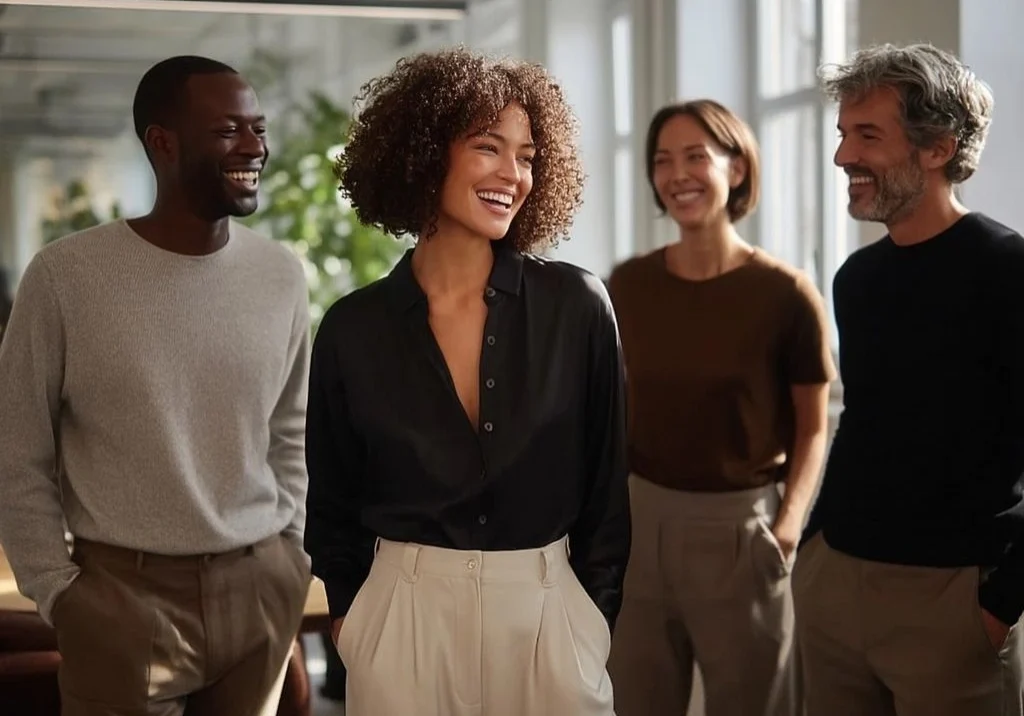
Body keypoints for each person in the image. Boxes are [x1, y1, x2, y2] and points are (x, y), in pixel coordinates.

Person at [304, 47, 630, 716]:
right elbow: (331, 500)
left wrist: (589, 626)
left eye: (528, 156)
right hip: (405, 618)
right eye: (489, 147)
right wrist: (353, 621)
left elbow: (606, 494)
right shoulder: (351, 328)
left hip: (546, 612)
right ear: (425, 155)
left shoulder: (577, 306)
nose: (513, 174)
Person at [0, 55, 311, 715]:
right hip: (119, 598)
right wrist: (57, 591)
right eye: (229, 130)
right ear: (162, 142)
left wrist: (289, 553)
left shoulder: (280, 275)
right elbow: (16, 442)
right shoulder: (65, 277)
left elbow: (289, 429)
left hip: (257, 587)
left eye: (258, 128)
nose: (255, 147)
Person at [794, 43, 1024, 716]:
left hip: (953, 606)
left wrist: (1000, 603)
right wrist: (815, 549)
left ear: (938, 147)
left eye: (868, 135)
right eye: (843, 135)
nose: (843, 158)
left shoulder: (1007, 271)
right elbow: (867, 423)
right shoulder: (856, 280)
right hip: (835, 585)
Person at [605, 99, 836, 716]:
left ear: (736, 169)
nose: (677, 174)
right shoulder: (625, 286)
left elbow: (815, 426)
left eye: (695, 157)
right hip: (639, 525)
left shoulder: (785, 294)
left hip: (741, 531)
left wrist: (786, 530)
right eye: (662, 161)